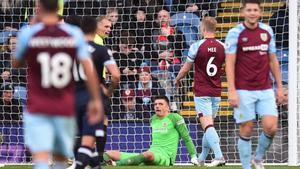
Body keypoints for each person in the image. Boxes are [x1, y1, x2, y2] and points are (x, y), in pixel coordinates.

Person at [12, 1, 103, 169]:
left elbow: (16, 63)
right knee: (60, 157)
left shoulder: (30, 32)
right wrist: (96, 99)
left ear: (39, 7)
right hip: (64, 103)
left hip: (38, 102)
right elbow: (88, 68)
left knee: (41, 156)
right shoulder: (73, 33)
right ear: (58, 8)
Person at [225, 1, 284, 169]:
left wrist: (279, 87)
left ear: (260, 12)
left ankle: (257, 158)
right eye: (249, 10)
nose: (252, 13)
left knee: (271, 127)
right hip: (243, 90)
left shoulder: (267, 31)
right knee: (247, 128)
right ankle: (246, 167)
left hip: (265, 88)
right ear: (243, 12)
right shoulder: (235, 33)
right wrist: (232, 90)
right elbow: (229, 63)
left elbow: (273, 60)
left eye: (255, 10)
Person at [69, 16, 120, 169]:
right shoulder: (99, 46)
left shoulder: (71, 48)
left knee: (81, 132)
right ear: (95, 28)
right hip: (94, 90)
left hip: (75, 93)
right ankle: (87, 161)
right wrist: (108, 90)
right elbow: (116, 75)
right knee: (92, 132)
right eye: (106, 26)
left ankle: (92, 162)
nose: (109, 30)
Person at [175, 16, 225, 167]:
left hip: (202, 91)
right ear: (215, 29)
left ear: (202, 29)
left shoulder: (196, 46)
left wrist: (177, 79)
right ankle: (202, 159)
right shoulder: (223, 46)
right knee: (209, 126)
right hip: (216, 91)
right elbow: (228, 67)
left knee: (208, 126)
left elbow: (186, 68)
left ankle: (219, 156)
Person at [105, 95, 200, 166]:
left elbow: (186, 138)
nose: (157, 106)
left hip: (165, 157)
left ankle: (116, 165)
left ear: (168, 107)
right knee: (109, 153)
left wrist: (193, 156)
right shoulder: (153, 119)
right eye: (155, 104)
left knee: (147, 155)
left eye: (160, 104)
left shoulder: (175, 118)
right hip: (151, 152)